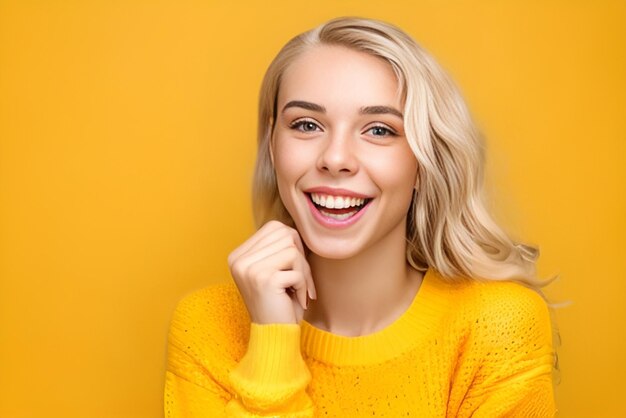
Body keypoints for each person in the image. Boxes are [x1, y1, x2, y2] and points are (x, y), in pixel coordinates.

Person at [164, 17, 556, 417]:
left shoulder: (498, 326)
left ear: (424, 161)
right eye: (306, 124)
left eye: (379, 131)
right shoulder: (207, 327)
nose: (335, 159)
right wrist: (273, 345)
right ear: (272, 144)